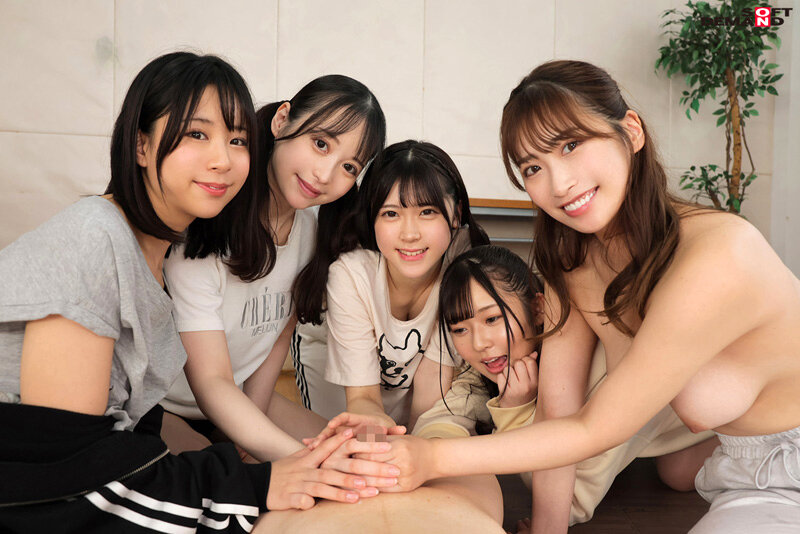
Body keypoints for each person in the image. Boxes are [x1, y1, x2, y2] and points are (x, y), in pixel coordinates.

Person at [324, 60, 800, 534]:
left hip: (789, 472)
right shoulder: (576, 263)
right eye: (533, 167)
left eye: (571, 145)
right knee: (678, 471)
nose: (559, 184)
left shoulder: (717, 254)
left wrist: (430, 457)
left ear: (631, 131)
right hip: (740, 468)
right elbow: (558, 408)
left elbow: (594, 428)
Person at [0, 52, 396, 533]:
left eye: (236, 140)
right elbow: (70, 479)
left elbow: (124, 427)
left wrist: (257, 463)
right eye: (197, 134)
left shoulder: (154, 251)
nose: (222, 160)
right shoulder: (96, 239)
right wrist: (264, 479)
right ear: (141, 144)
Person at [159, 74, 387, 462]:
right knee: (233, 483)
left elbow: (274, 341)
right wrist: (300, 462)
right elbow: (211, 382)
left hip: (240, 397)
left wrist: (251, 436)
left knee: (357, 460)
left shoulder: (312, 234)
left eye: (349, 167)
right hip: (167, 404)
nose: (325, 175)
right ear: (282, 121)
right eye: (320, 144)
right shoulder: (207, 226)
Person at [414, 244, 715, 527]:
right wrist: (428, 447)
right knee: (677, 473)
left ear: (538, 309)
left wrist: (515, 411)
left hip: (712, 412)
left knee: (680, 471)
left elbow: (569, 504)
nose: (479, 343)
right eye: (459, 329)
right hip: (677, 435)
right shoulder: (494, 365)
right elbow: (443, 417)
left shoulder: (588, 367)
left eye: (492, 319)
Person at [310, 140, 490, 431]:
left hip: (417, 402)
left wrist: (414, 447)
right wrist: (381, 443)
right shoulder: (351, 275)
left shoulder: (463, 265)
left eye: (427, 212)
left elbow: (435, 377)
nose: (409, 234)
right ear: (372, 218)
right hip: (340, 398)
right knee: (345, 443)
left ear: (456, 214)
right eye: (391, 213)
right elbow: (362, 399)